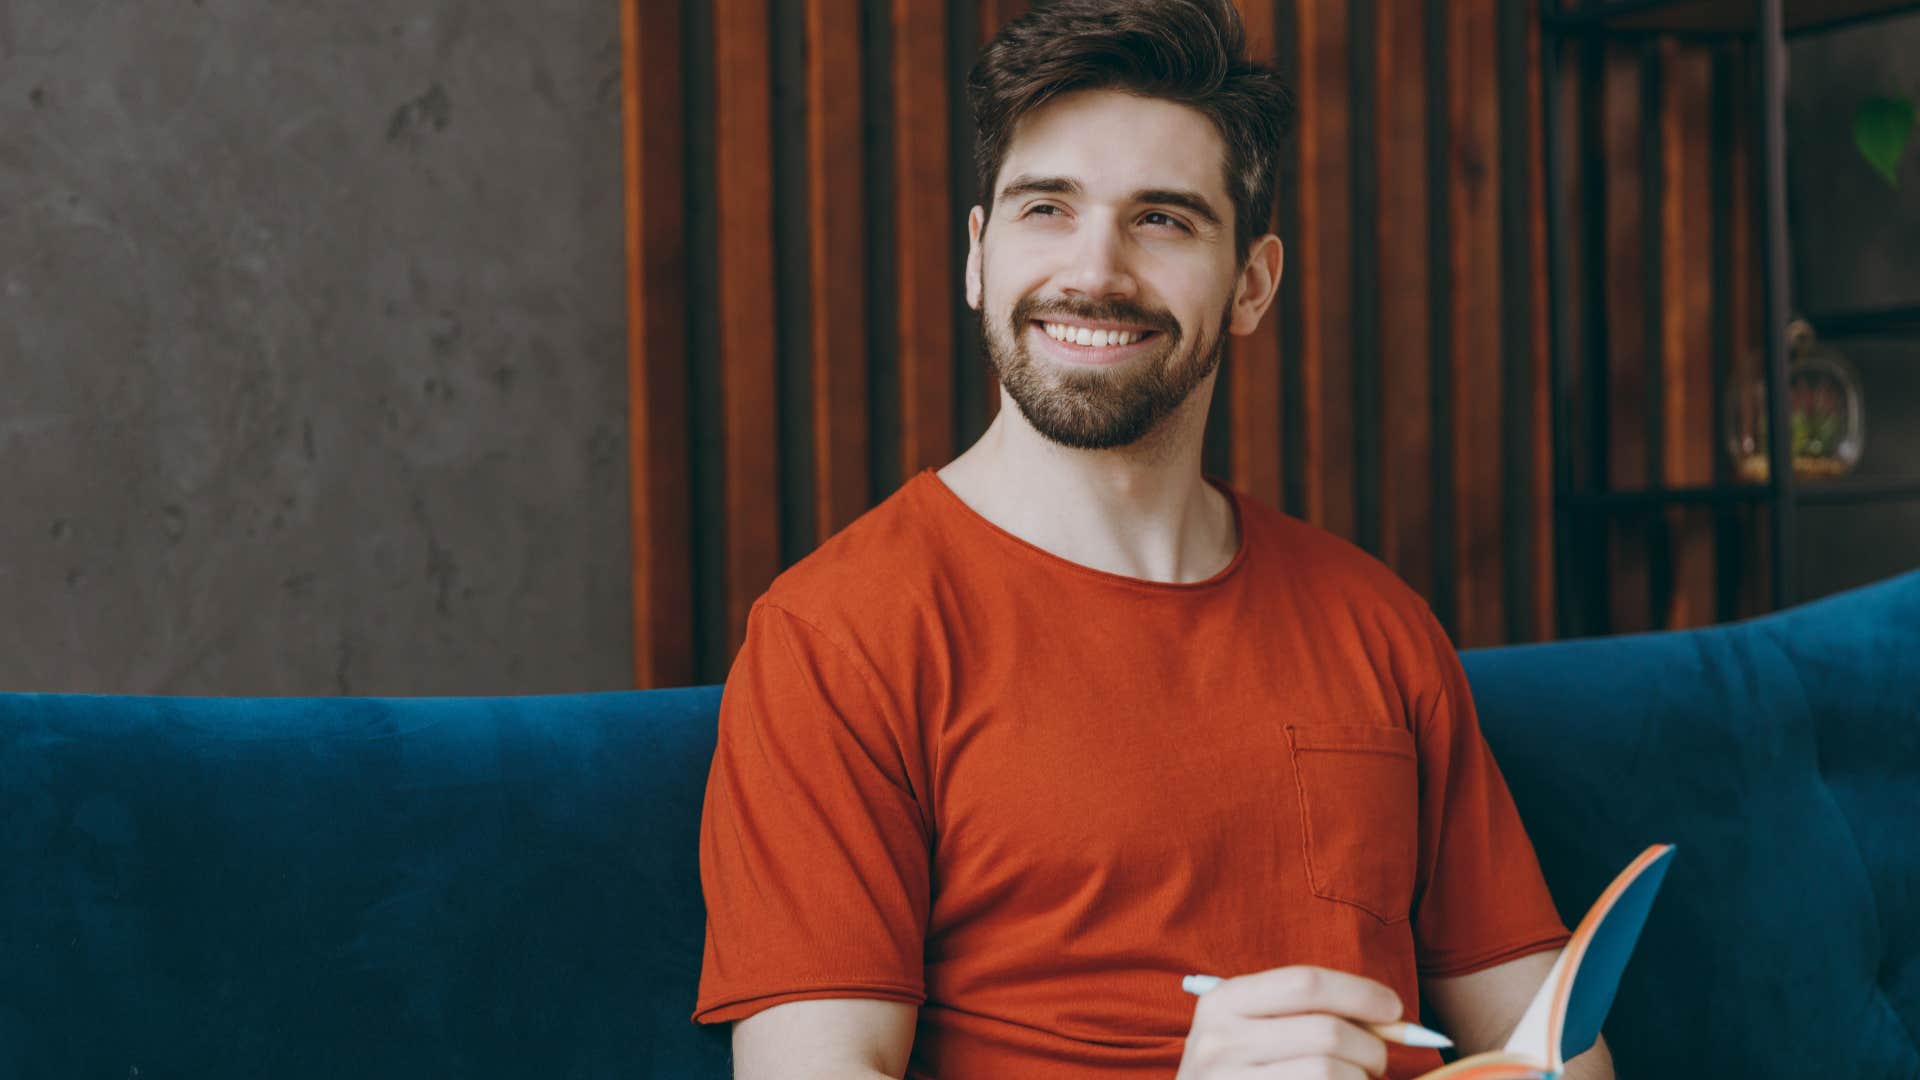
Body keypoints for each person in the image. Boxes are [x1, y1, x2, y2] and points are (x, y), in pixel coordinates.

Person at [692, 2, 1614, 1077]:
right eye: (1047, 209)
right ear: (980, 258)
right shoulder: (836, 638)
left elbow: (1554, 1049)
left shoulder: (1378, 623)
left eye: (1163, 219)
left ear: (1253, 284)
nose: (1095, 273)